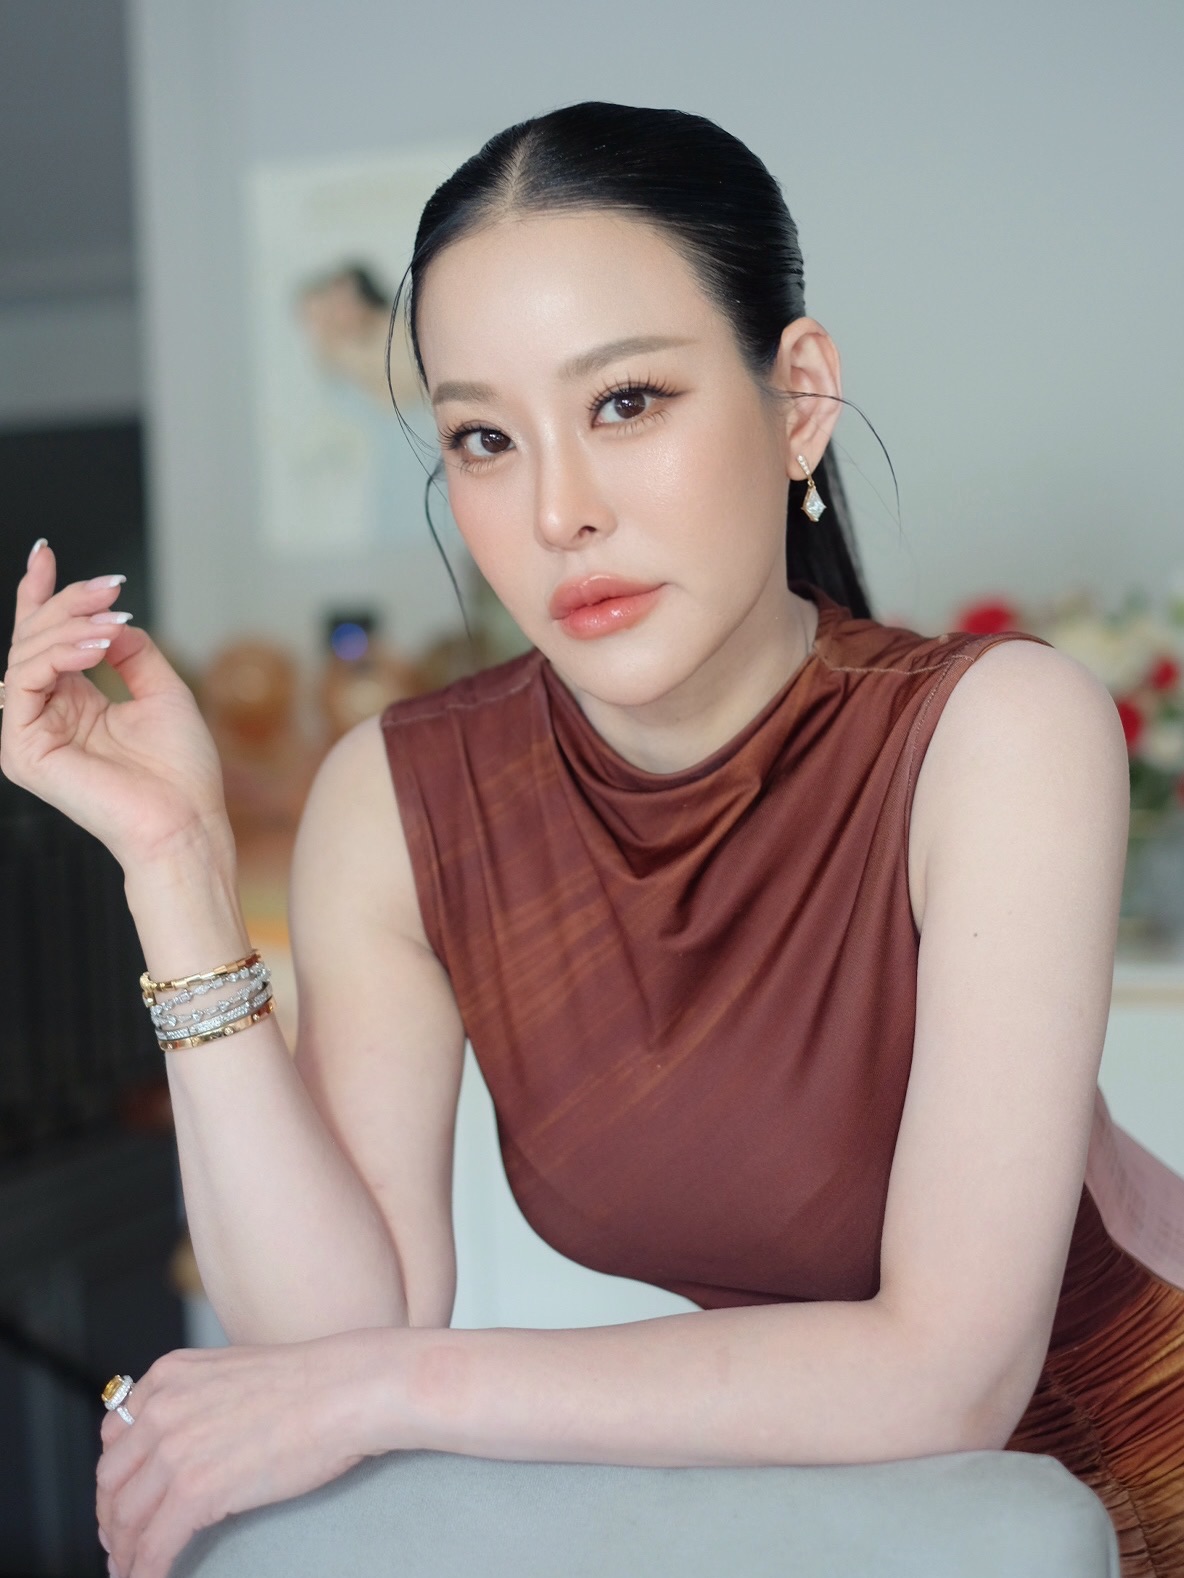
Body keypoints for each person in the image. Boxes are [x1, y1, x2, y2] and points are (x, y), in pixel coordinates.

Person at [2, 101, 1180, 1578]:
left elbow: (947, 1375)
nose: (560, 510)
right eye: (485, 438)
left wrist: (395, 1389)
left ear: (799, 398)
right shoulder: (403, 798)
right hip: (858, 1527)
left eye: (627, 401)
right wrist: (173, 866)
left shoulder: (995, 732)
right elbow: (331, 1338)